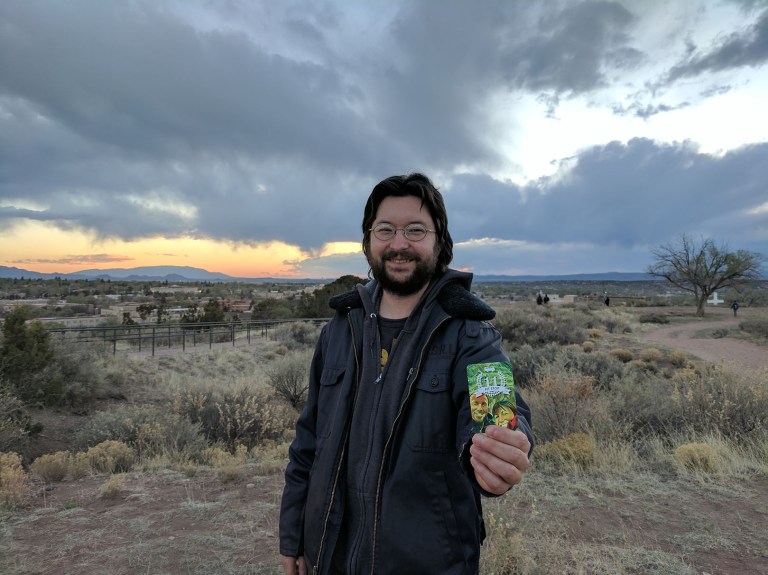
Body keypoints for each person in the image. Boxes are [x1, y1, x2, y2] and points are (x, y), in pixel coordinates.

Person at [279, 173, 533, 575]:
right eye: (385, 229)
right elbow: (308, 441)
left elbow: (497, 417)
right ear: (368, 241)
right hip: (329, 556)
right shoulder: (339, 331)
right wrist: (294, 536)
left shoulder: (471, 334)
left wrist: (498, 450)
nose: (399, 244)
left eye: (415, 230)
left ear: (439, 242)